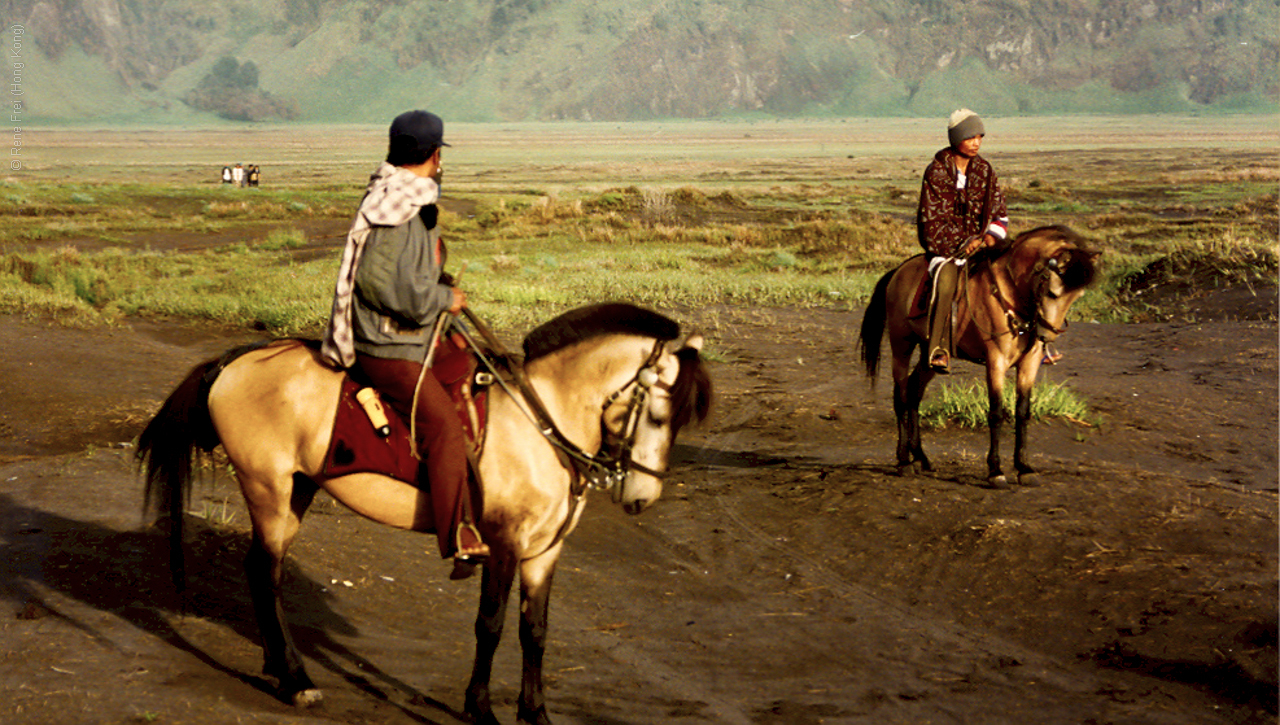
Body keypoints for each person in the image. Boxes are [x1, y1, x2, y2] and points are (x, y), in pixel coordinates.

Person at [321, 109, 489, 576]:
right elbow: (385, 287)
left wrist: (437, 284)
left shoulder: (402, 197)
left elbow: (405, 274)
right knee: (443, 426)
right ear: (435, 155)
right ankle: (458, 533)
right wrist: (441, 297)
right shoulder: (399, 207)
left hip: (408, 333)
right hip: (387, 345)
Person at [916, 108, 1009, 373]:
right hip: (945, 249)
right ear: (956, 139)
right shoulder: (937, 172)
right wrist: (964, 243)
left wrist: (989, 236)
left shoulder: (985, 171)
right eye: (970, 137)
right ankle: (938, 348)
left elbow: (999, 211)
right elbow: (932, 219)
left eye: (980, 136)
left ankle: (1035, 343)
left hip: (982, 245)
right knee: (945, 281)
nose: (976, 142)